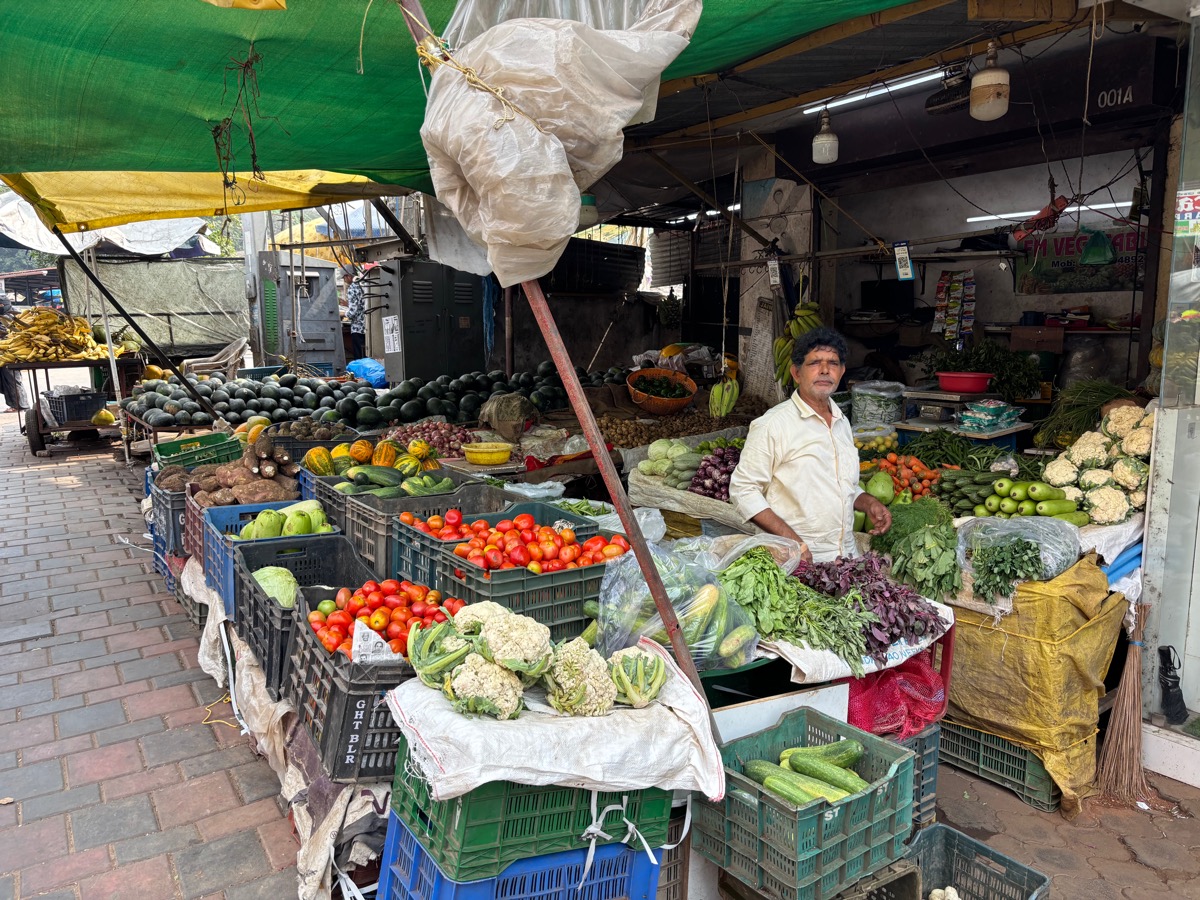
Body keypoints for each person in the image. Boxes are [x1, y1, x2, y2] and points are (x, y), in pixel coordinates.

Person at [730, 327, 891, 563]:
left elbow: (841, 484)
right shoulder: (773, 425)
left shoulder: (842, 422)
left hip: (845, 558)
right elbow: (743, 491)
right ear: (796, 373)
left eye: (833, 363)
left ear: (842, 371)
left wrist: (868, 503)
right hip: (794, 561)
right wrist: (795, 543)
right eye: (815, 362)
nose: (825, 370)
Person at [343, 267, 366, 360]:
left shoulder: (352, 288)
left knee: (358, 356)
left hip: (357, 327)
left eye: (344, 278)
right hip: (367, 326)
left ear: (348, 276)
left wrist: (344, 314)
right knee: (366, 354)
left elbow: (353, 311)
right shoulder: (362, 284)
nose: (344, 280)